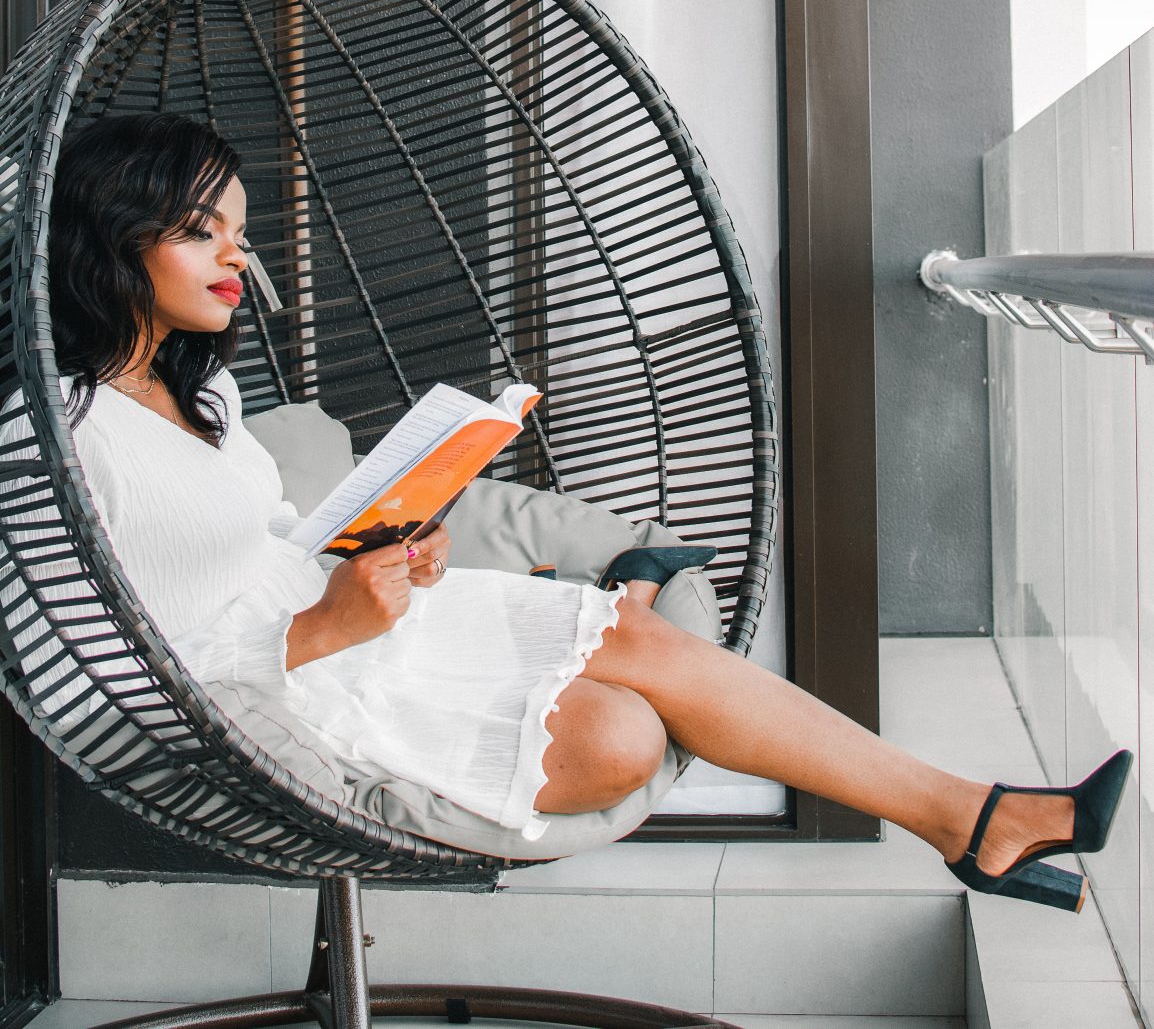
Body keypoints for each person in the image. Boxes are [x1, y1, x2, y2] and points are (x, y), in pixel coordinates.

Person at [16, 111, 1131, 908]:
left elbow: (257, 543)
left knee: (635, 635)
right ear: (116, 233)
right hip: (285, 690)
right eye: (202, 230)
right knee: (619, 733)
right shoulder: (47, 434)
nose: (235, 254)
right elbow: (73, 668)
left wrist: (377, 551)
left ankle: (965, 814)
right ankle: (967, 821)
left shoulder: (199, 386)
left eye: (241, 230)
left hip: (347, 620)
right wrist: (321, 629)